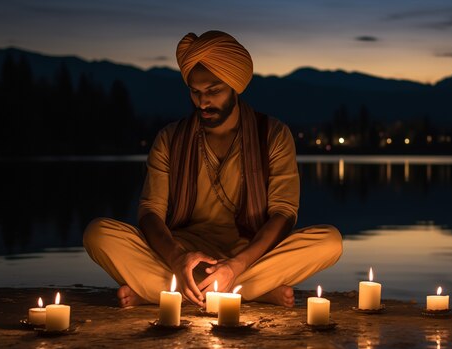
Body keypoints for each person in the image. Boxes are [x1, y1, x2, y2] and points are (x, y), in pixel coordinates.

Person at [83, 30, 342, 308]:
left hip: (249, 254)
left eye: (213, 91)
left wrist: (236, 265)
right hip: (181, 253)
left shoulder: (274, 135)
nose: (202, 102)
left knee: (330, 242)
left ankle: (164, 293)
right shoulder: (170, 139)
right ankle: (248, 292)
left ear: (235, 86)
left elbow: (283, 214)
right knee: (98, 233)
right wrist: (177, 258)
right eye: (195, 92)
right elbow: (150, 214)